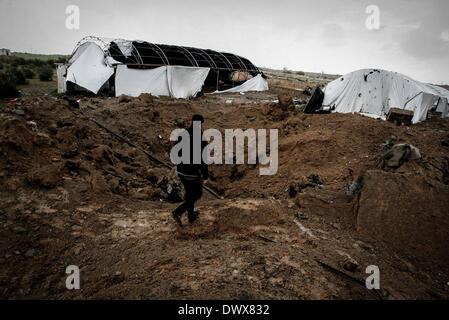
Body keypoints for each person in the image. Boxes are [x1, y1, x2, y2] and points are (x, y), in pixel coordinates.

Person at [172, 114, 208, 227]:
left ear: (191, 122)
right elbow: (203, 159)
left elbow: (175, 152)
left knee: (190, 194)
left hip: (181, 170)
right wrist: (205, 175)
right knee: (197, 193)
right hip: (192, 172)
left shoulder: (182, 134)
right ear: (201, 124)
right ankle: (178, 212)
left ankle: (191, 216)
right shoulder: (201, 138)